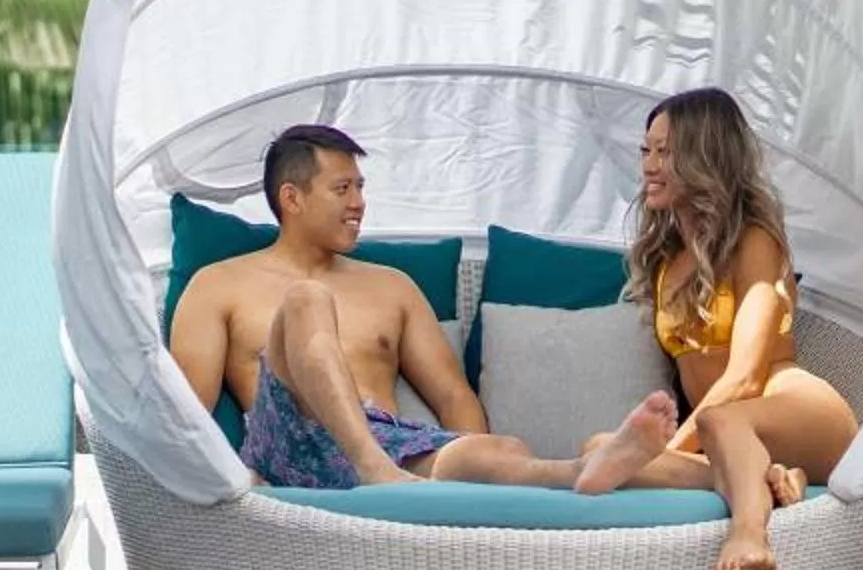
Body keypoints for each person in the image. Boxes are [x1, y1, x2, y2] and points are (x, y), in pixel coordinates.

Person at [170, 125, 682, 494]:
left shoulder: (392, 287)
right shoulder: (217, 285)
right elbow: (185, 410)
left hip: (390, 445)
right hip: (290, 444)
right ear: (292, 198)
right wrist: (232, 482)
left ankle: (581, 470)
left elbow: (453, 396)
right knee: (306, 300)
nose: (359, 202)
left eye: (361, 187)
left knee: (501, 453)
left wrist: (473, 466)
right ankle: (374, 469)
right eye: (342, 188)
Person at [605, 88, 859, 570]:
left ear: (705, 158)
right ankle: (770, 478)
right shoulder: (667, 255)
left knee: (719, 424)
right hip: (724, 436)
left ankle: (749, 532)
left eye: (667, 151)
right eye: (646, 150)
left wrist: (668, 451)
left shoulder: (755, 241)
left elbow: (744, 378)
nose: (650, 165)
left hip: (792, 409)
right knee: (604, 450)